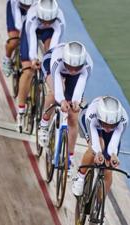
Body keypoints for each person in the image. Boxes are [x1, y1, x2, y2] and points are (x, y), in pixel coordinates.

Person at [38, 41, 93, 175]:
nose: (73, 70)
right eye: (70, 67)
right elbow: (57, 87)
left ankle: (70, 156)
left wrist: (75, 102)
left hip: (74, 77)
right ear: (66, 61)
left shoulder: (87, 65)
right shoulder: (58, 59)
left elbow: (80, 87)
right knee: (54, 93)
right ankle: (44, 125)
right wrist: (62, 100)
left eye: (76, 68)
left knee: (73, 116)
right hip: (52, 66)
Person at [16, 0, 65, 129]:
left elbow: (53, 49)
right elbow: (31, 39)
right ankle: (20, 110)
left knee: (50, 54)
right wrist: (33, 59)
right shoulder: (32, 15)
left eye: (50, 21)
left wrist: (47, 64)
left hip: (48, 33)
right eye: (44, 21)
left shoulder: (60, 20)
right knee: (28, 71)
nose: (47, 23)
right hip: (32, 31)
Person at [72, 96, 129, 197]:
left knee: (108, 167)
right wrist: (98, 152)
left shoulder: (123, 120)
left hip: (111, 132)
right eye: (106, 125)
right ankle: (80, 177)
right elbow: (95, 143)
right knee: (95, 148)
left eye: (112, 125)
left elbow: (114, 142)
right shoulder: (91, 114)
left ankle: (99, 204)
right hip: (92, 125)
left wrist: (113, 155)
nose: (108, 128)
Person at [2, 0, 35, 77]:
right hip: (15, 8)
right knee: (14, 41)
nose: (25, 8)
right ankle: (7, 59)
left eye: (27, 6)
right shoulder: (15, 2)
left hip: (33, 9)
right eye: (24, 6)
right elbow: (18, 25)